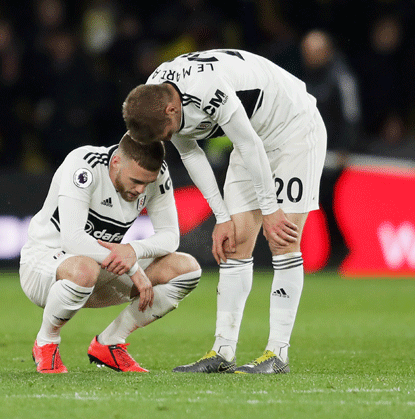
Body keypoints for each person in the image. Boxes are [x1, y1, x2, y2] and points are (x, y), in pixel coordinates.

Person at [123, 48, 327, 374]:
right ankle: (223, 352)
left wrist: (271, 209)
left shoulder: (206, 88)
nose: (170, 138)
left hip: (292, 127)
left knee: (283, 239)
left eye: (168, 133)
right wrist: (221, 216)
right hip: (252, 136)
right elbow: (191, 153)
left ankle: (278, 353)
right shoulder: (155, 97)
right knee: (234, 243)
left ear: (173, 109)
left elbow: (247, 143)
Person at [19, 133, 202, 373]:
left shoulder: (155, 174)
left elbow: (170, 236)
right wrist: (133, 267)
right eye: (135, 180)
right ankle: (46, 342)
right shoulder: (84, 164)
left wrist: (132, 250)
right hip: (43, 267)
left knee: (186, 269)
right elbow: (73, 239)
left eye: (147, 183)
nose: (140, 190)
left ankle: (110, 343)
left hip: (100, 271)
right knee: (85, 268)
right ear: (115, 162)